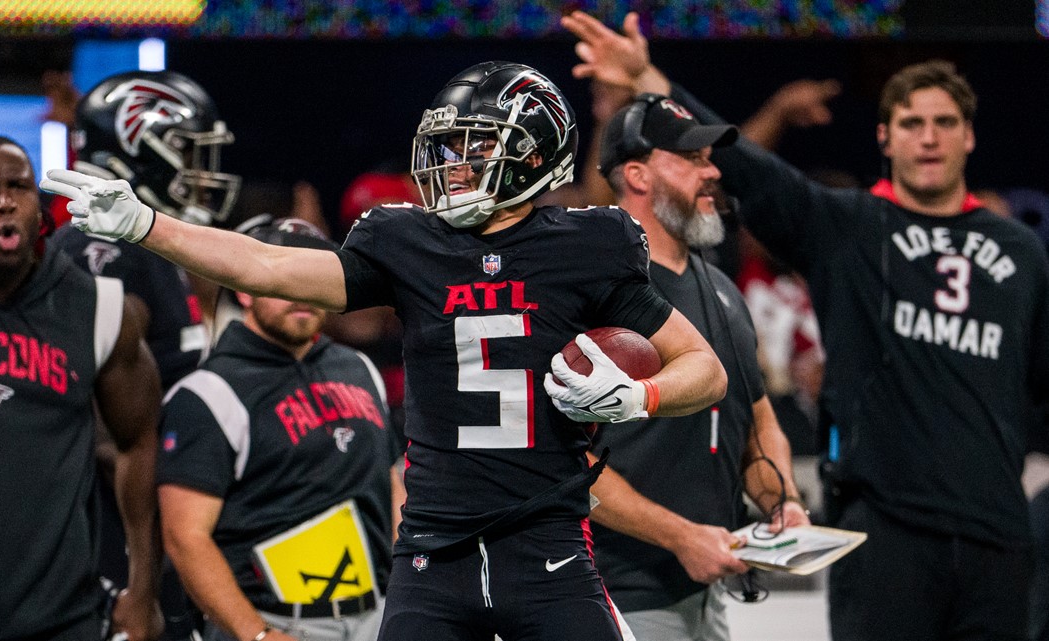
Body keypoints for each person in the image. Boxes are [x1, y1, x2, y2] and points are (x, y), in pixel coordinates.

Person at [43, 60, 728, 641]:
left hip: (547, 545)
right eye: (448, 146)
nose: (452, 166)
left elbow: (706, 368)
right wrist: (146, 224)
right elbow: (267, 266)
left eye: (474, 147)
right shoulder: (407, 241)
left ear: (532, 153)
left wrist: (644, 394)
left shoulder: (587, 244)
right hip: (434, 553)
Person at [562, 10, 1049, 641]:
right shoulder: (847, 228)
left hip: (997, 531)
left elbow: (1040, 381)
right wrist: (648, 77)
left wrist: (779, 493)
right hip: (885, 532)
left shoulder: (1020, 250)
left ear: (970, 137)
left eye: (945, 123)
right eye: (912, 123)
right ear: (884, 137)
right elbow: (743, 168)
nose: (928, 138)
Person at [0, 134, 163, 641]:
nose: (5, 201)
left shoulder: (99, 306)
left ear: (40, 205)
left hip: (62, 617)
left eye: (19, 187)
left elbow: (139, 443)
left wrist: (142, 590)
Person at [585, 94, 810, 640]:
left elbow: (757, 420)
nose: (712, 173)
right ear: (636, 174)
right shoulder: (593, 291)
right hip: (614, 593)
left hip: (703, 589)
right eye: (692, 160)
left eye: (710, 158)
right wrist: (680, 536)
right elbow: (567, 458)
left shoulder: (723, 290)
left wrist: (783, 505)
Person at [51, 69, 243, 639]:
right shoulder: (98, 248)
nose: (201, 172)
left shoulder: (143, 248)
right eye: (186, 151)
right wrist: (141, 579)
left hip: (158, 511)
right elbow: (108, 433)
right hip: (108, 528)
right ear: (138, 148)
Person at [157, 218, 403, 641]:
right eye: (285, 276)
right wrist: (257, 635)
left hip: (378, 615)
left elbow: (394, 486)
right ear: (244, 287)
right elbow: (184, 537)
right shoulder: (205, 393)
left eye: (311, 276)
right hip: (273, 622)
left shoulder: (360, 368)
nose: (300, 292)